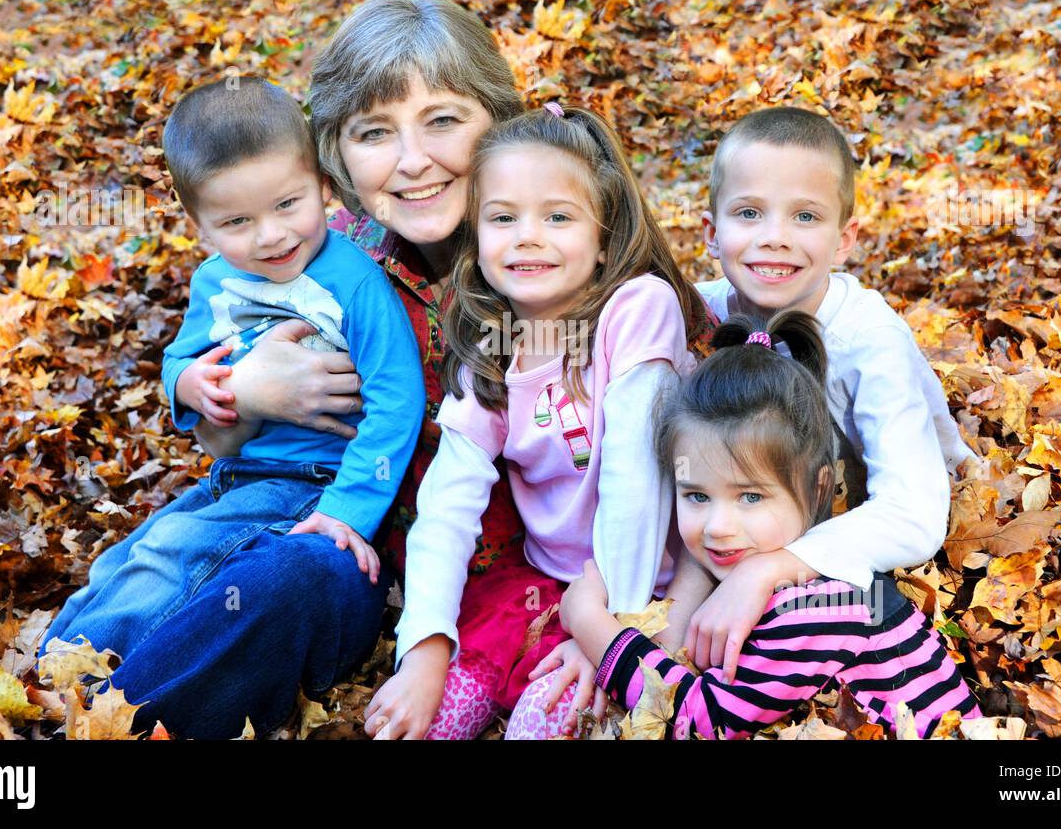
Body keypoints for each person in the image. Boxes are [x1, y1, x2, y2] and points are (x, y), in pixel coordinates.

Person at [39, 77, 424, 727]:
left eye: (287, 204)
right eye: (237, 222)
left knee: (202, 562)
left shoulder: (354, 282)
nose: (271, 236)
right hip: (237, 477)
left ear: (324, 187)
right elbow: (184, 363)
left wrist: (349, 511)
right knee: (149, 556)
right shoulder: (214, 282)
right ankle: (60, 669)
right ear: (197, 225)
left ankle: (100, 696)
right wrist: (194, 387)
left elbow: (398, 399)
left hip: (319, 485)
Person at [363, 104, 709, 740]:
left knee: (541, 725)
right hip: (544, 586)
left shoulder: (636, 311)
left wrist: (609, 635)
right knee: (430, 718)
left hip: (650, 591)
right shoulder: (494, 349)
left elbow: (637, 482)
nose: (527, 236)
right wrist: (423, 651)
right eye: (503, 218)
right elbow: (447, 506)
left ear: (605, 239)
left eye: (557, 217)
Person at [552, 311, 982, 739]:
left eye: (751, 497)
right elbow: (680, 656)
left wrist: (590, 622)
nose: (718, 527)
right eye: (697, 496)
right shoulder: (769, 578)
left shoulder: (819, 609)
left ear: (818, 490)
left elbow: (701, 721)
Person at [672, 106, 978, 684]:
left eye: (805, 216)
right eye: (748, 212)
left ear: (844, 240)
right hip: (756, 508)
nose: (774, 238)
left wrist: (771, 570)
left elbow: (913, 511)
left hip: (849, 513)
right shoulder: (695, 314)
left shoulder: (868, 338)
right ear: (710, 233)